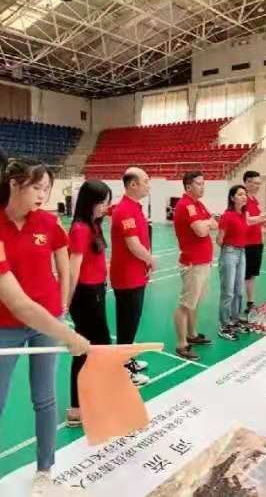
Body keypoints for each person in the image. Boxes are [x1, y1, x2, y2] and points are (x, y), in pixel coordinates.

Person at [0, 154, 92, 496]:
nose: (43, 195)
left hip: (48, 321)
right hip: (6, 325)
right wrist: (68, 334)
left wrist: (63, 304)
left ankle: (45, 469)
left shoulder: (49, 222)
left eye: (47, 189)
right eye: (37, 187)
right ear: (14, 184)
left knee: (45, 398)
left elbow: (64, 263)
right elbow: (17, 303)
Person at [65, 180, 112, 427]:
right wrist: (66, 302)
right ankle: (76, 407)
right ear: (89, 202)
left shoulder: (94, 225)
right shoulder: (80, 229)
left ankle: (89, 397)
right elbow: (73, 269)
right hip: (85, 296)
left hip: (96, 292)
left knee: (97, 348)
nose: (105, 207)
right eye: (102, 202)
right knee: (87, 348)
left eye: (107, 202)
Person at [111, 167, 154, 385]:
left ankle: (127, 359)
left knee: (132, 322)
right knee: (127, 324)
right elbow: (133, 245)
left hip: (137, 275)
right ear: (133, 184)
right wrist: (151, 259)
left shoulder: (135, 208)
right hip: (127, 277)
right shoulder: (125, 210)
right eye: (145, 181)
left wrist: (146, 263)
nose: (148, 185)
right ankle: (122, 368)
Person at [171, 172, 216, 362]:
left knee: (194, 303)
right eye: (199, 184)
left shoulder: (199, 205)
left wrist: (207, 223)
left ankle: (192, 334)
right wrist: (207, 223)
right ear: (188, 186)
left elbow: (213, 223)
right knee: (185, 304)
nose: (202, 187)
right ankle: (181, 344)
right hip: (192, 263)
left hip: (203, 261)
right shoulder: (186, 205)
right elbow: (201, 231)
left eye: (203, 183)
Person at [242, 171, 266, 317]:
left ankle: (250, 302)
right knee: (244, 275)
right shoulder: (243, 199)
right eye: (255, 183)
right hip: (245, 243)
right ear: (247, 182)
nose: (258, 186)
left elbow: (260, 222)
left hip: (257, 242)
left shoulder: (255, 201)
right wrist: (265, 214)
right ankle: (237, 305)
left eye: (259, 183)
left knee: (252, 275)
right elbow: (248, 220)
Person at [217, 186, 250, 341]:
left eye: (245, 194)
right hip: (230, 253)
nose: (244, 197)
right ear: (232, 198)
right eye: (240, 194)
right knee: (228, 292)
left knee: (238, 291)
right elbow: (219, 239)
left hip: (242, 252)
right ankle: (224, 325)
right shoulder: (227, 216)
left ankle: (235, 321)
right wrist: (229, 249)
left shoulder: (243, 215)